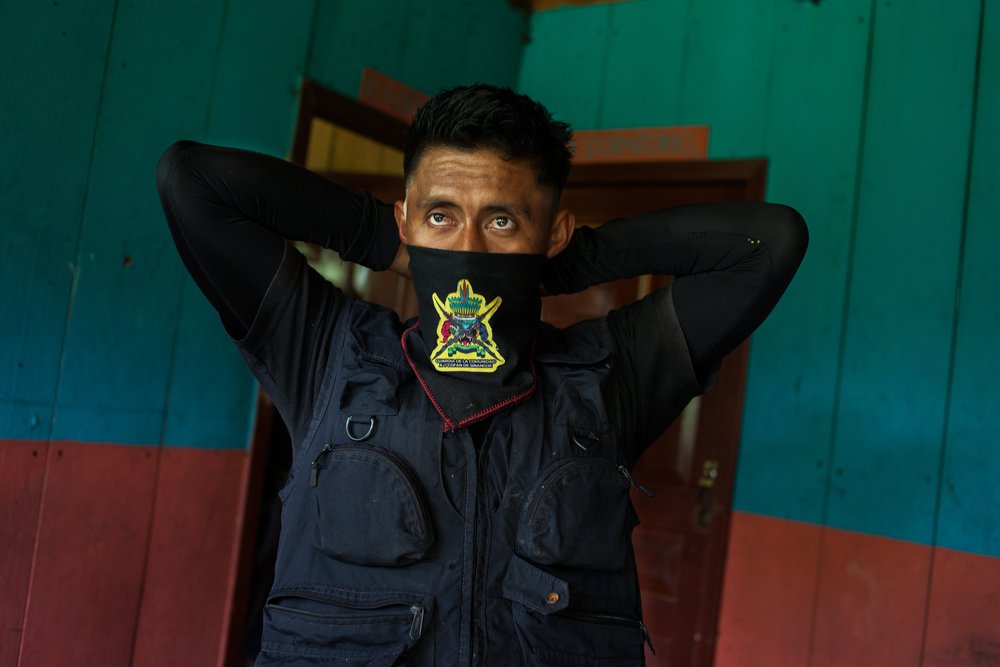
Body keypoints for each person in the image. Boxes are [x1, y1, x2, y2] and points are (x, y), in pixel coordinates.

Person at [156, 83, 807, 666]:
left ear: (551, 233)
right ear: (409, 219)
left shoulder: (610, 376)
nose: (468, 246)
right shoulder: (327, 353)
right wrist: (379, 238)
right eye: (442, 214)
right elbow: (194, 181)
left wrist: (575, 261)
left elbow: (767, 243)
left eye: (500, 219)